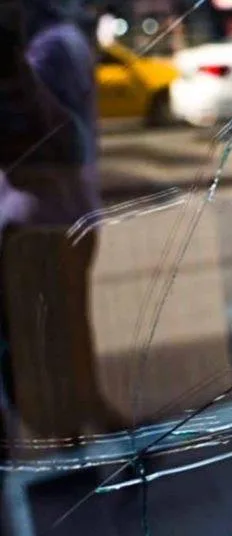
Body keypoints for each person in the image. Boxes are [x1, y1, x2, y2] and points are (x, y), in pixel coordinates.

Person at [0, 0, 121, 461]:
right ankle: (115, 441)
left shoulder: (51, 49)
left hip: (44, 221)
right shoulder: (56, 44)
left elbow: (57, 141)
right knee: (61, 348)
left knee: (49, 351)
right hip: (52, 216)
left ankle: (79, 455)